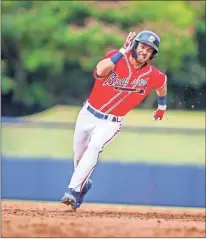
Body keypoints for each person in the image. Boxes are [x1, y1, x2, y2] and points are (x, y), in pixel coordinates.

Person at [61, 30, 167, 210]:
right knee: (79, 158)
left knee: (94, 147)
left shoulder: (152, 74)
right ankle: (83, 186)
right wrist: (122, 51)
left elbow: (162, 84)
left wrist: (161, 107)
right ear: (135, 45)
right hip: (88, 114)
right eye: (143, 47)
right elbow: (100, 71)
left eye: (150, 50)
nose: (145, 52)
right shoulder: (116, 58)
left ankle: (72, 190)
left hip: (111, 122)